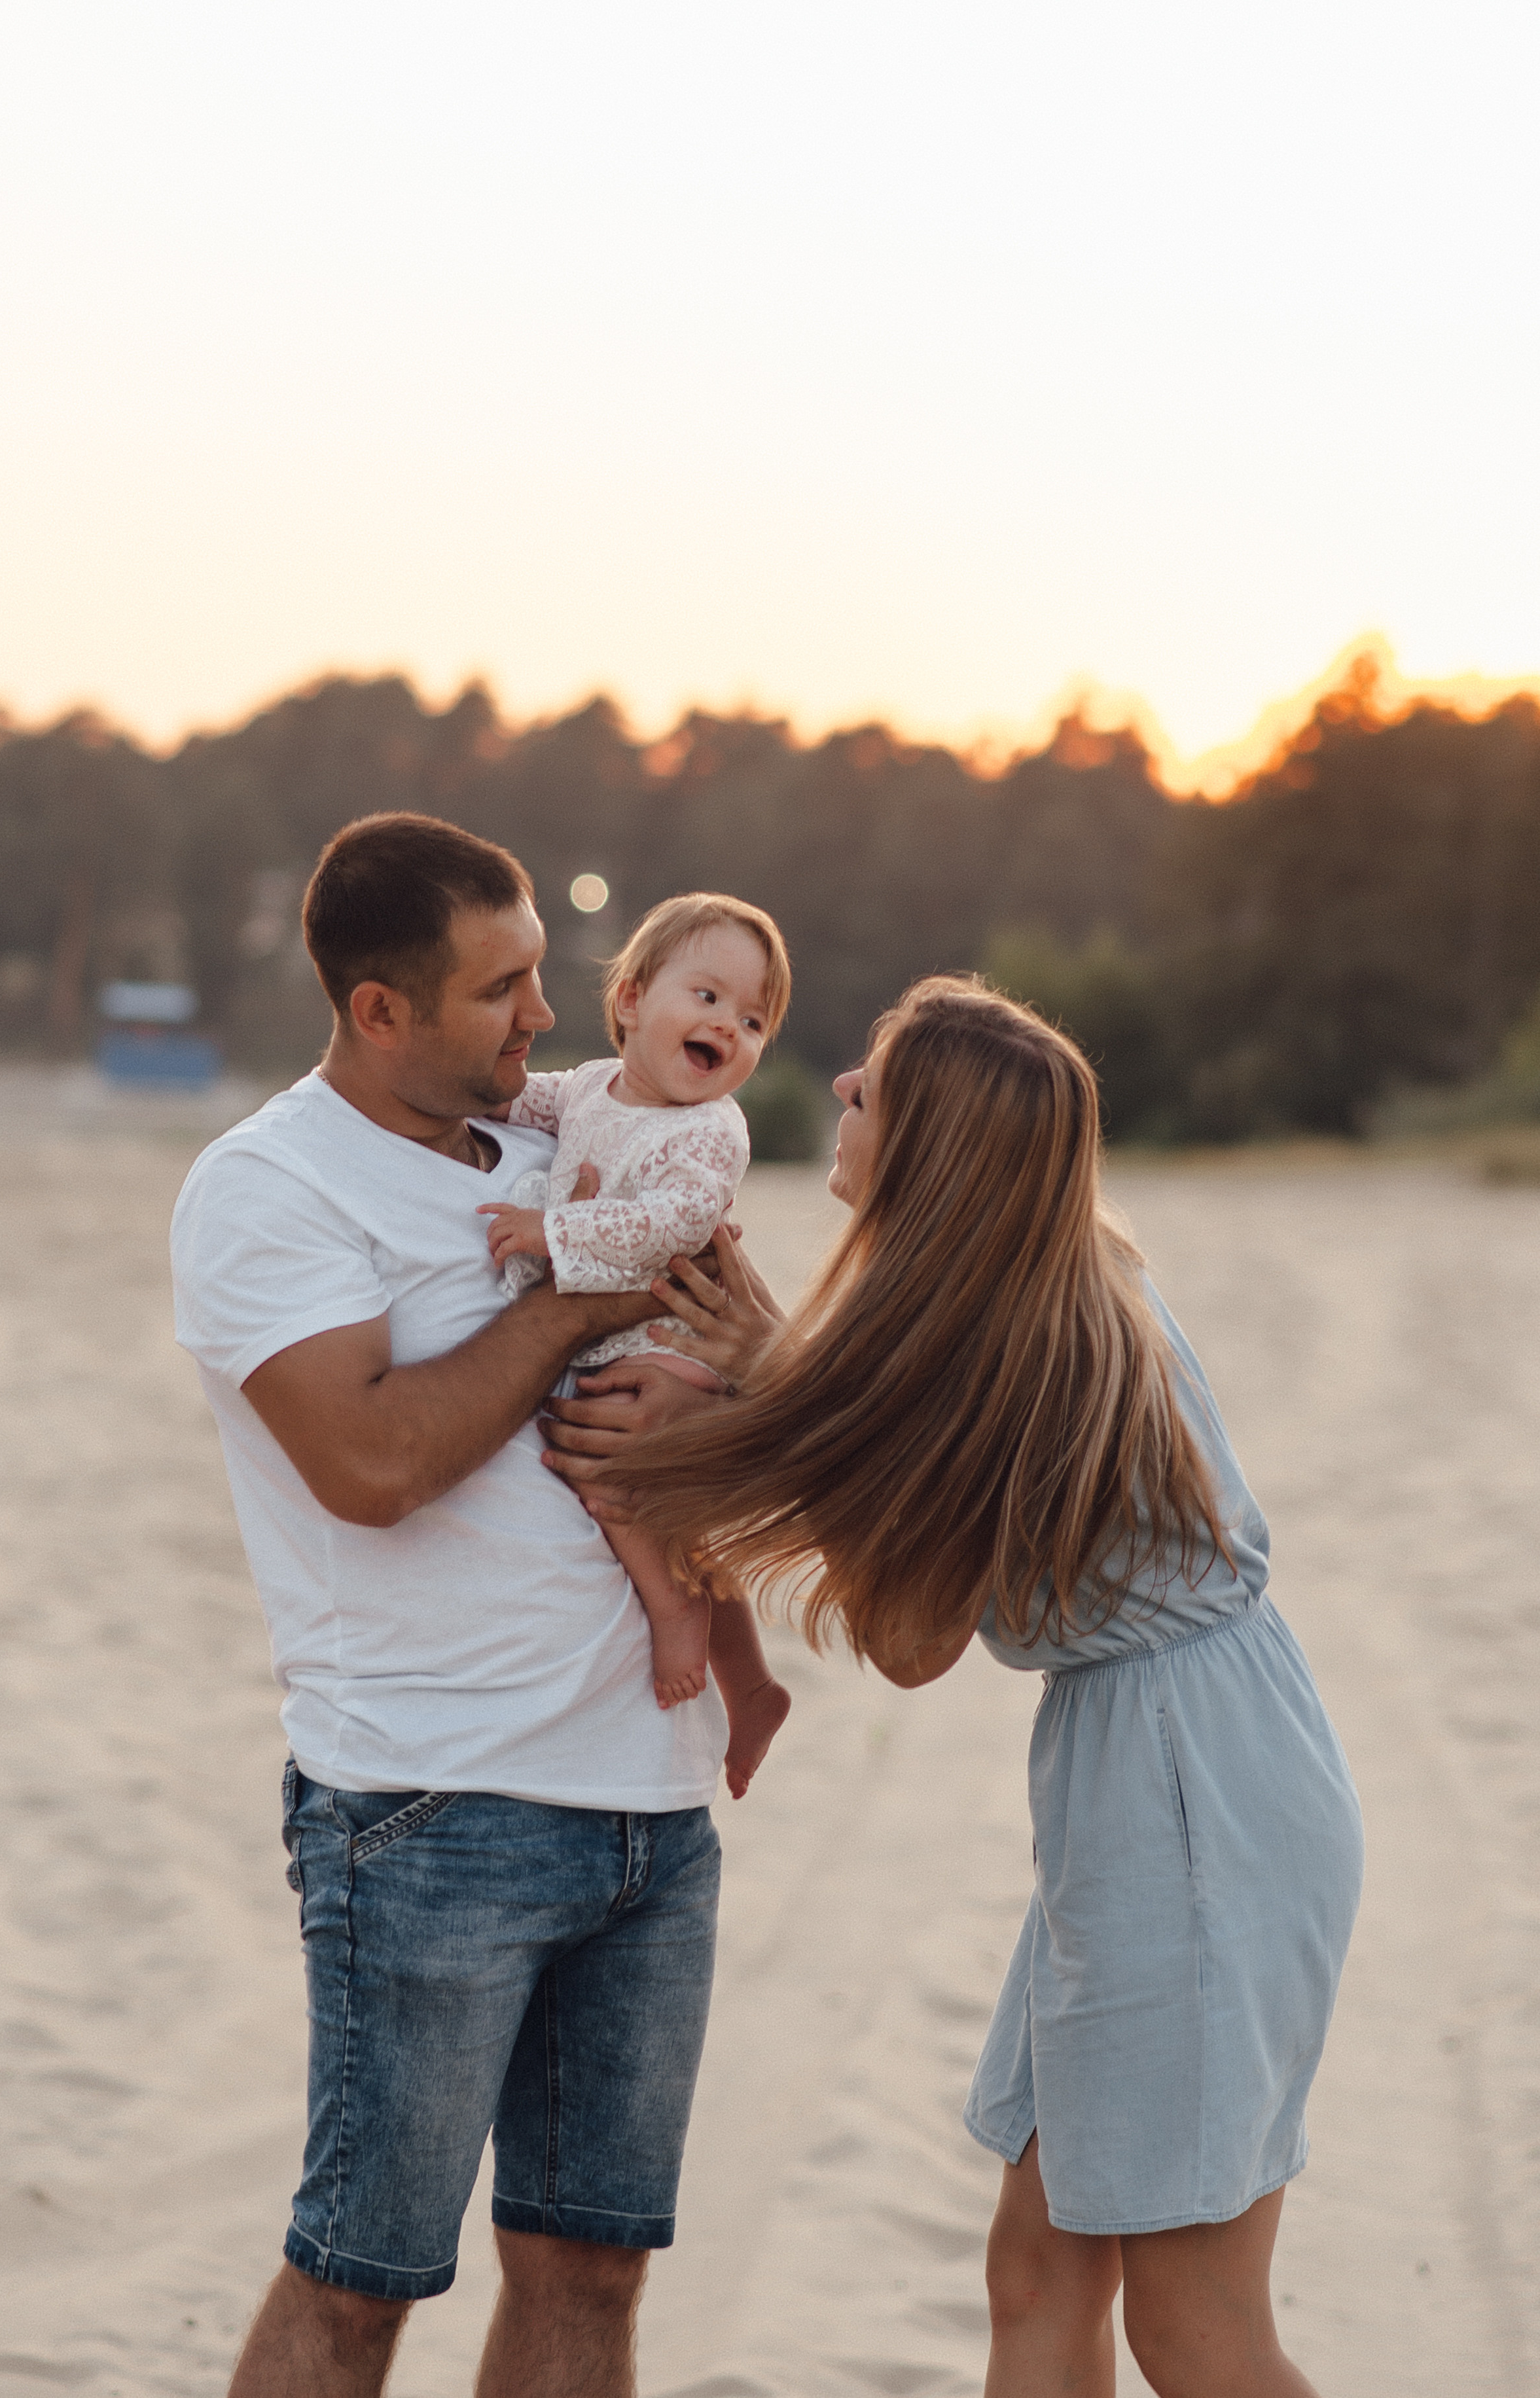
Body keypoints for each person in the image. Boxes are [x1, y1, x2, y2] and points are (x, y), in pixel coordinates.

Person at [541, 974, 1367, 2398]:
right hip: (1189, 1766)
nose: (843, 1093)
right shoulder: (1025, 1285)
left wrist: (755, 1408)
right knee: (1035, 2271)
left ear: (935, 1146)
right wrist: (780, 1376)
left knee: (1194, 2324)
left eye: (873, 1081)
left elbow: (913, 1637)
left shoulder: (1007, 1337)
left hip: (1187, 1797)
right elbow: (913, 1450)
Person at [170, 811, 730, 2398]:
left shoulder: (568, 1157)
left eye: (543, 974)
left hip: (650, 1806)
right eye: (502, 989)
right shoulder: (266, 1188)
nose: (544, 1017)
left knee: (593, 2273)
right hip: (427, 1808)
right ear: (379, 1011)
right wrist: (573, 1305)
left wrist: (719, 1383)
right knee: (359, 2281)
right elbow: (375, 1461)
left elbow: (713, 1361)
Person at [479, 890, 793, 1790]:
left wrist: (550, 1235)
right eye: (706, 998)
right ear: (629, 1002)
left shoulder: (711, 1130)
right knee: (679, 1514)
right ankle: (753, 1684)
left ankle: (673, 1616)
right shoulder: (586, 1088)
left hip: (671, 1337)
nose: (727, 1026)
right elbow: (511, 1101)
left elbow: (672, 1223)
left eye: (752, 1019)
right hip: (618, 1335)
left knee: (611, 1472)